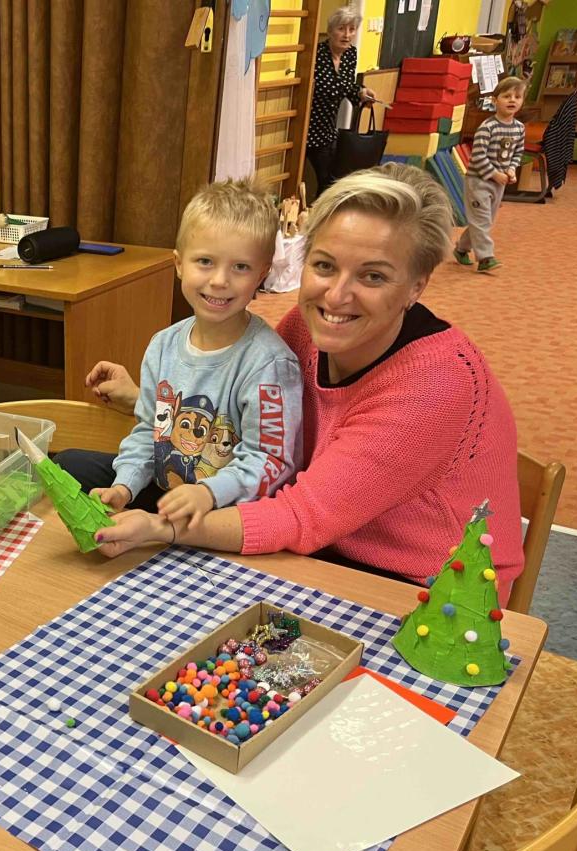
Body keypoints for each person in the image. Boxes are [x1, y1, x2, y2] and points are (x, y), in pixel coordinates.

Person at [89, 165, 525, 601]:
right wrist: (142, 400)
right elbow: (251, 415)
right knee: (83, 470)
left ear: (416, 286)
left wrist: (163, 528)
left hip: (421, 583)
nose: (336, 296)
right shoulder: (306, 325)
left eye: (373, 276)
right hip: (313, 537)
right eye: (324, 266)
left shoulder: (435, 385)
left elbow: (301, 516)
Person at [56, 178, 302, 529]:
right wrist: (124, 486)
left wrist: (208, 493)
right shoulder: (163, 345)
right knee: (68, 464)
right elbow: (149, 430)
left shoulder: (269, 363)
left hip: (227, 515)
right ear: (179, 264)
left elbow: (269, 461)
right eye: (205, 261)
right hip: (168, 489)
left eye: (240, 267)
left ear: (261, 274)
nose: (220, 280)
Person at [454, 76, 526, 274]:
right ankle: (485, 258)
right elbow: (477, 157)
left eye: (517, 97)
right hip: (479, 181)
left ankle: (461, 249)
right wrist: (494, 174)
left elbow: (517, 153)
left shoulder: (519, 128)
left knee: (484, 220)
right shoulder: (487, 127)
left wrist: (511, 169)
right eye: (506, 96)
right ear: (495, 100)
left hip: (499, 183)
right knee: (482, 220)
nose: (512, 100)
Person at [306, 6, 374, 196]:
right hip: (308, 127)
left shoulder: (350, 54)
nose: (347, 35)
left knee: (331, 181)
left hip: (328, 129)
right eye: (341, 29)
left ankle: (320, 211)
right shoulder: (317, 53)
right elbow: (319, 88)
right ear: (330, 31)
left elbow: (347, 86)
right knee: (326, 180)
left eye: (352, 29)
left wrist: (361, 93)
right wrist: (356, 91)